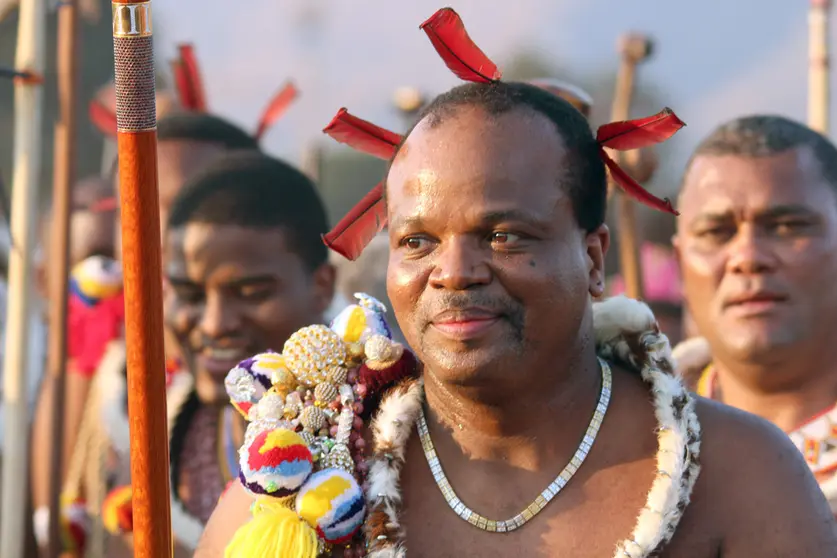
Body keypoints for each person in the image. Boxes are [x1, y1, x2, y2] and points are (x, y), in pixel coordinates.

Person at [196, 80, 837, 556]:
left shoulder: (741, 473)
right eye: (417, 241)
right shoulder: (301, 478)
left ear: (592, 259)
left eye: (503, 235)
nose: (454, 272)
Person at [101, 151, 336, 554]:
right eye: (190, 295)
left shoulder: (383, 435)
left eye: (251, 294)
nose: (213, 324)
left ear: (322, 286)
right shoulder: (163, 436)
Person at [673, 114, 837, 513]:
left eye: (785, 226)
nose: (747, 258)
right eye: (717, 232)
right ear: (681, 262)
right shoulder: (619, 443)